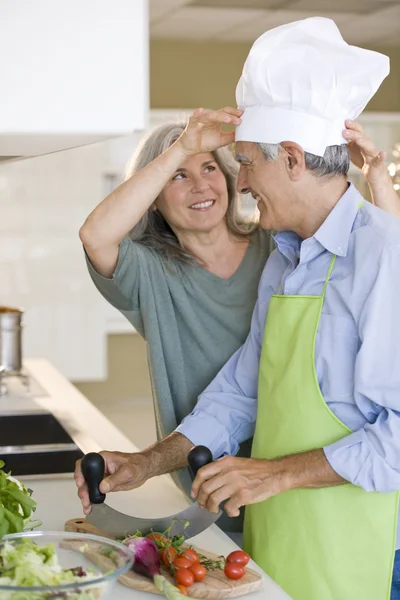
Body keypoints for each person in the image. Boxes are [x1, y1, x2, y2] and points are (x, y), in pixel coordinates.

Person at [76, 17, 400, 600]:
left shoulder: (386, 256)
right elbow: (242, 391)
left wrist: (275, 473)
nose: (239, 181)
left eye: (247, 161)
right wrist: (150, 462)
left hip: (358, 546)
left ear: (295, 158)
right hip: (274, 533)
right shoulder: (284, 258)